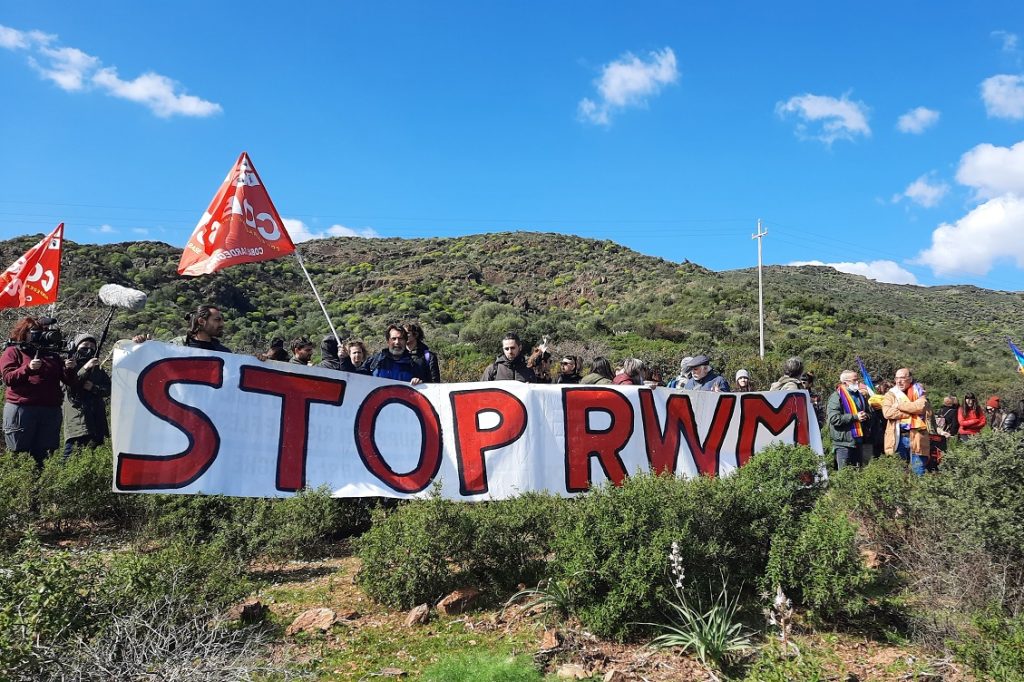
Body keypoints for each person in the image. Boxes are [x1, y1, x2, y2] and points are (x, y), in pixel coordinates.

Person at [1, 316, 78, 467]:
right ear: (24, 333)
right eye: (35, 331)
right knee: (19, 454)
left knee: (45, 455)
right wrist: (27, 369)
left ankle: (42, 481)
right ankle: (20, 481)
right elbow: (8, 378)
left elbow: (69, 381)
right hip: (22, 409)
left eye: (42, 331)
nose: (40, 334)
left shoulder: (52, 355)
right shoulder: (13, 351)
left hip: (50, 410)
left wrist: (69, 369)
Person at [62, 333, 110, 459]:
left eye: (92, 347)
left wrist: (94, 388)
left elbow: (108, 389)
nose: (89, 349)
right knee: (71, 456)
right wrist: (85, 368)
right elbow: (70, 386)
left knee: (94, 458)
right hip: (78, 421)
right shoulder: (68, 366)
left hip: (97, 420)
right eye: (85, 346)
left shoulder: (98, 370)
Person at [882, 368, 930, 476]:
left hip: (917, 436)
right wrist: (910, 413)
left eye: (902, 378)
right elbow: (887, 413)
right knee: (899, 472)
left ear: (910, 379)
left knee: (918, 471)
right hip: (897, 437)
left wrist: (898, 405)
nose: (899, 381)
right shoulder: (891, 394)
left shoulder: (919, 391)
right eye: (897, 378)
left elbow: (920, 407)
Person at [827, 370, 870, 469]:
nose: (857, 382)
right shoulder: (836, 397)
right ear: (845, 382)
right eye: (854, 380)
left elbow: (869, 412)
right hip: (844, 444)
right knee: (844, 473)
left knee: (860, 472)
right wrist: (855, 417)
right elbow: (834, 419)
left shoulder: (860, 395)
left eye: (858, 380)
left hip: (859, 441)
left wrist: (866, 416)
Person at [365, 325, 430, 384]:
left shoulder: (415, 365)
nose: (397, 342)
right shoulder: (374, 361)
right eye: (393, 339)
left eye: (401, 339)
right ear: (388, 341)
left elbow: (426, 386)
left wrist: (419, 382)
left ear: (405, 341)